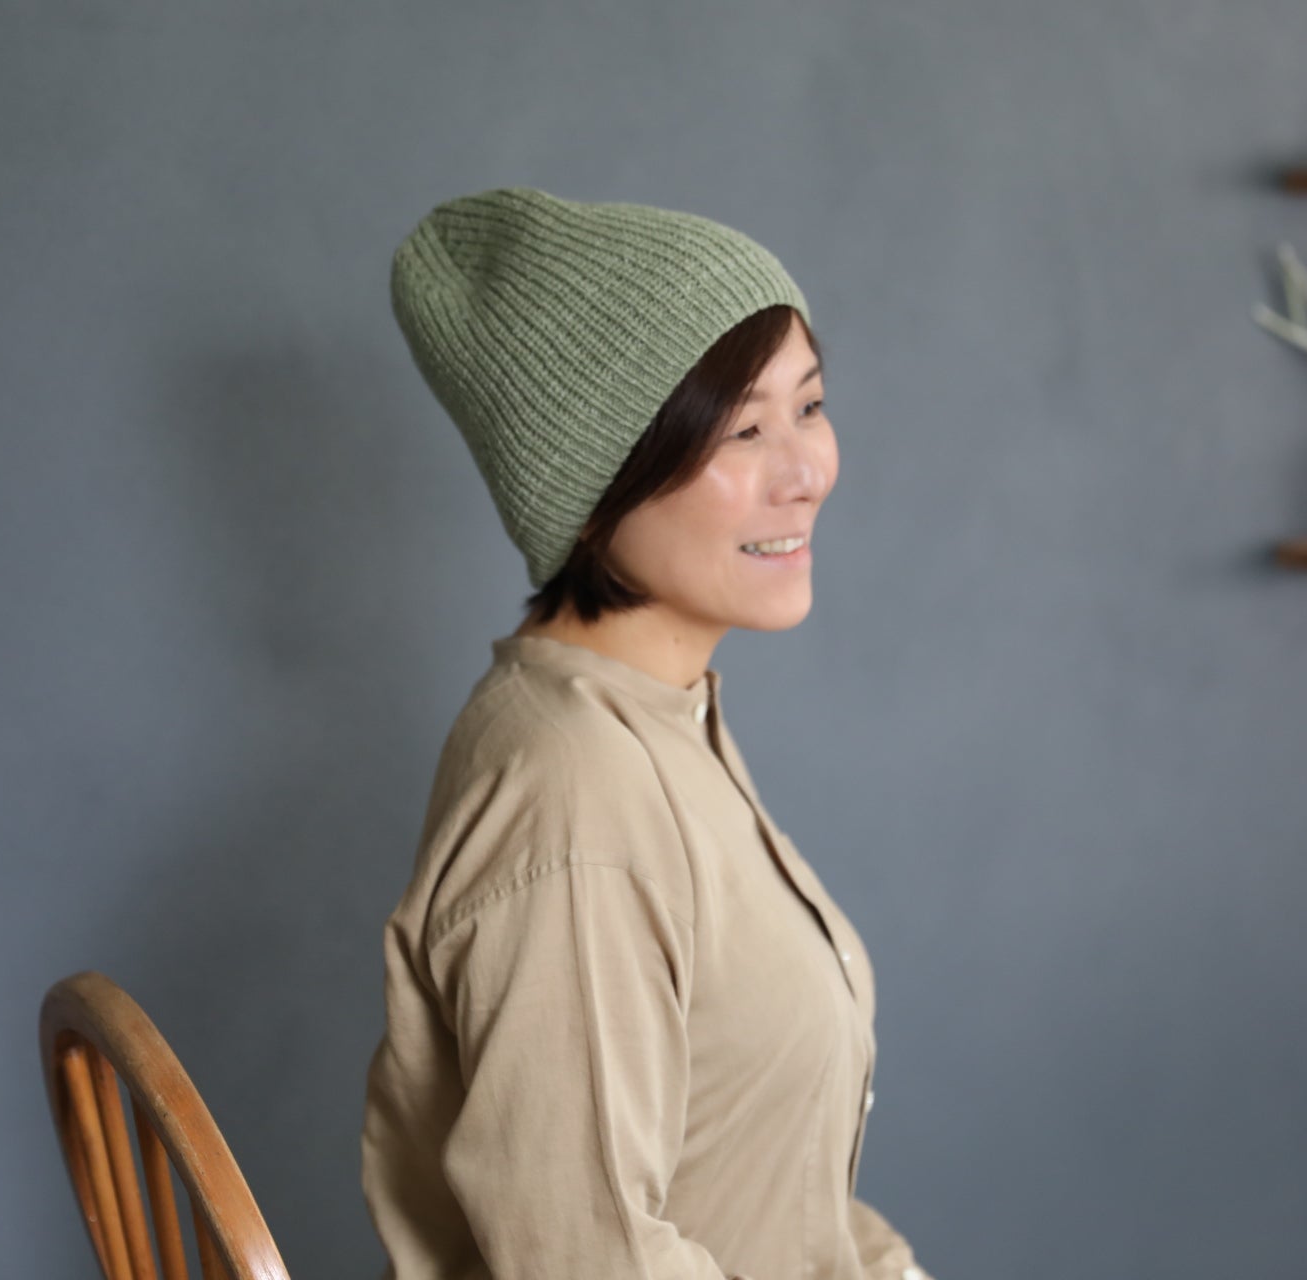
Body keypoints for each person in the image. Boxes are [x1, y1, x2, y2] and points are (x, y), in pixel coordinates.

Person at [362, 186, 933, 1280]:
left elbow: (758, 1177)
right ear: (590, 493)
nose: (807, 470)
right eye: (743, 431)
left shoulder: (656, 714)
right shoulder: (575, 794)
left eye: (810, 406)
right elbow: (587, 1257)